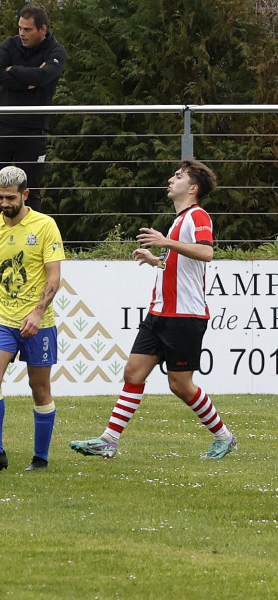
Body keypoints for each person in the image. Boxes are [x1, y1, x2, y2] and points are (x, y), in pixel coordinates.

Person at [70, 159, 237, 460]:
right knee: (133, 373)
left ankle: (224, 437)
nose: (171, 180)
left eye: (179, 176)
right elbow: (181, 267)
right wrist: (156, 260)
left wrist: (166, 242)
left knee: (180, 386)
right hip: (159, 314)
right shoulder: (178, 220)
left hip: (185, 316)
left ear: (193, 188)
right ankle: (109, 440)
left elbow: (207, 252)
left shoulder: (198, 215)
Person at [0, 165, 64, 474]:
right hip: (2, 321)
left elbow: (54, 278)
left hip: (40, 322)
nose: (4, 204)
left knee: (40, 389)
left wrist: (37, 312)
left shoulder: (45, 225)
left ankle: (40, 458)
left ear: (25, 195)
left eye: (10, 198)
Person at [0, 5, 66, 214]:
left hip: (34, 128)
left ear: (42, 30)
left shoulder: (56, 51)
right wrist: (28, 81)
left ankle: (32, 239)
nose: (21, 33)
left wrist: (14, 70)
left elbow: (44, 76)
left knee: (31, 188)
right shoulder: (10, 45)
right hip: (3, 124)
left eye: (27, 29)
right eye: (20, 28)